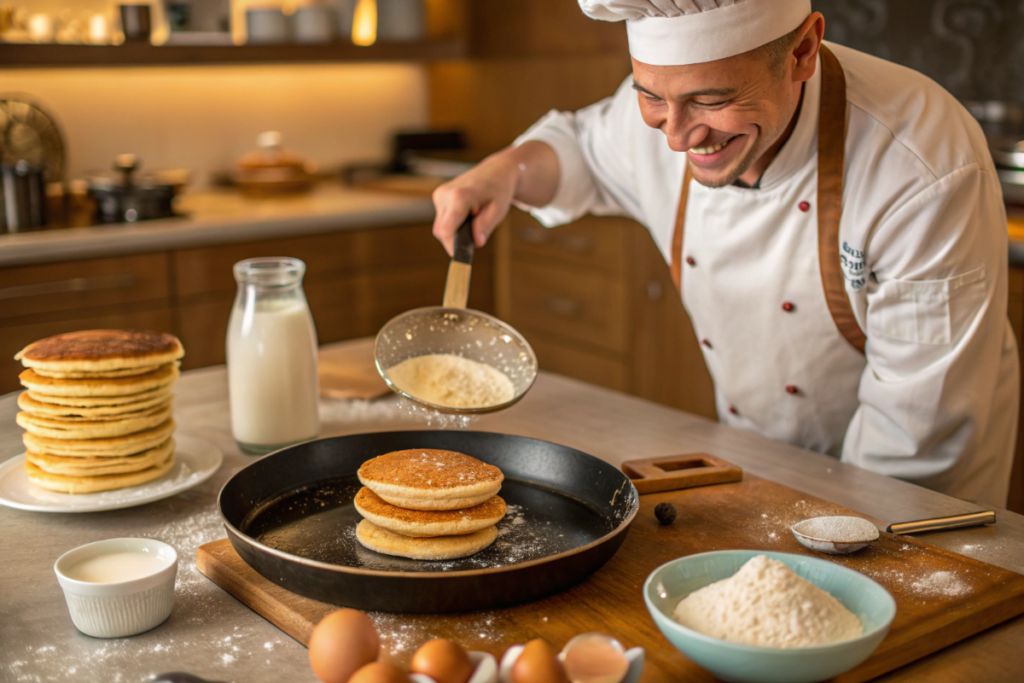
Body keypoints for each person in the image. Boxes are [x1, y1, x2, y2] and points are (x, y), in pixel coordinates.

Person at [430, 0, 1018, 508]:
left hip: (917, 502)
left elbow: (915, 435)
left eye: (711, 100)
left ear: (803, 52)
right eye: (651, 97)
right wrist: (505, 172)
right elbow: (582, 148)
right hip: (755, 463)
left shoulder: (920, 163)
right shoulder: (671, 110)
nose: (678, 137)